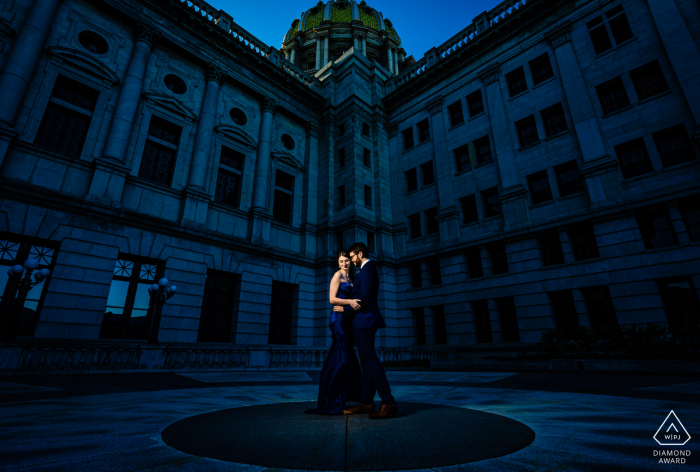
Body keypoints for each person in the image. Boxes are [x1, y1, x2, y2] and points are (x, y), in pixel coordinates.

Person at [334, 242, 398, 419]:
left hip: (366, 322)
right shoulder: (364, 270)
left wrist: (345, 309)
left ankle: (388, 401)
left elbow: (365, 298)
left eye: (352, 257)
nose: (351, 260)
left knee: (370, 360)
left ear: (360, 254)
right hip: (363, 322)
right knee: (366, 363)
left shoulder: (368, 269)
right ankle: (366, 402)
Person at [304, 251, 363, 415]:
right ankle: (332, 400)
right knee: (343, 359)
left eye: (347, 261)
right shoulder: (337, 276)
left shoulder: (352, 278)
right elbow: (332, 299)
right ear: (338, 263)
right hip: (337, 320)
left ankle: (341, 397)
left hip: (347, 320)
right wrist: (350, 301)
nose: (345, 263)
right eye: (342, 261)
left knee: (344, 358)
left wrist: (349, 306)